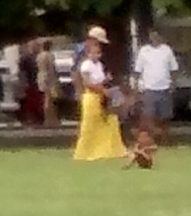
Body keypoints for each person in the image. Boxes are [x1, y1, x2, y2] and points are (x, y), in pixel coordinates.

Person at [72, 29, 128, 163]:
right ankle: (87, 151)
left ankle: (108, 149)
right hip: (92, 95)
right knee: (90, 125)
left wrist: (106, 83)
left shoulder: (99, 64)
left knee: (109, 121)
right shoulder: (84, 62)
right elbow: (85, 81)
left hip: (101, 94)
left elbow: (98, 80)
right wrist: (101, 91)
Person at [132, 29, 178, 167]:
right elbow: (137, 71)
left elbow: (174, 69)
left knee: (165, 117)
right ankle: (151, 142)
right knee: (149, 117)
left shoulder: (166, 50)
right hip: (149, 89)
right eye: (152, 35)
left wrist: (173, 84)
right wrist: (135, 87)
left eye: (157, 35)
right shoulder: (144, 51)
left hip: (164, 88)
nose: (154, 37)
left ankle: (166, 141)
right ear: (149, 37)